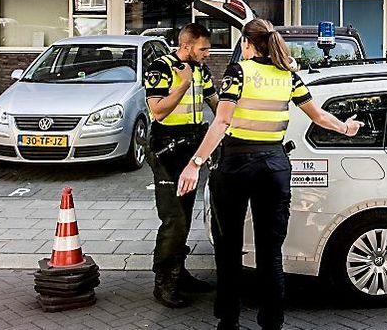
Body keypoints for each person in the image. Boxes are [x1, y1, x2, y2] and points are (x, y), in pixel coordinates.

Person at [178, 19, 363, 330]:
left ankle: (229, 320)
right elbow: (317, 116)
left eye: (242, 43)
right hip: (274, 166)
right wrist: (347, 128)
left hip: (236, 164)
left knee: (229, 248)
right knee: (270, 252)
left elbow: (222, 122)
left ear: (248, 44)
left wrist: (195, 163)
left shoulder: (239, 71)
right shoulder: (287, 76)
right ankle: (272, 322)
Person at [144, 23, 219, 308]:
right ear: (186, 46)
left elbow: (216, 103)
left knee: (185, 216)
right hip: (165, 152)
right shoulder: (160, 67)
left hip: (189, 152)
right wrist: (184, 83)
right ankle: (163, 282)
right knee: (174, 219)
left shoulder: (201, 70)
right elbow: (157, 110)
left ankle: (179, 273)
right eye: (204, 48)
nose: (208, 53)